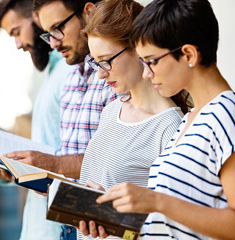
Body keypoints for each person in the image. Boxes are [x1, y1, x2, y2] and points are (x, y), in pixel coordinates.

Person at [95, 0, 235, 239]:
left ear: (188, 54)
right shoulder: (190, 120)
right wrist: (113, 217)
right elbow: (172, 227)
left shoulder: (226, 116)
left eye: (151, 61)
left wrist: (156, 200)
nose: (148, 74)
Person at [74, 0, 189, 239]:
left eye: (106, 60)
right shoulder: (111, 111)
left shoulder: (170, 129)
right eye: (96, 62)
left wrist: (113, 217)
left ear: (137, 49)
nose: (100, 73)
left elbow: (174, 227)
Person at [4, 0, 117, 239]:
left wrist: (54, 164)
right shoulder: (72, 81)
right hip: (68, 226)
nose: (53, 43)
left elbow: (115, 161)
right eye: (48, 34)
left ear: (88, 13)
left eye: (58, 28)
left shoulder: (115, 78)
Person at [0, 0, 74, 239]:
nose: (18, 44)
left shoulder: (72, 72)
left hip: (59, 226)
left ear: (36, 18)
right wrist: (15, 171)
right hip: (39, 221)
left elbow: (81, 158)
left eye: (17, 32)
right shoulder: (52, 72)